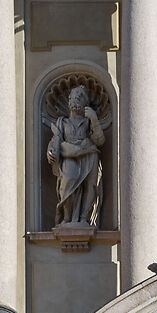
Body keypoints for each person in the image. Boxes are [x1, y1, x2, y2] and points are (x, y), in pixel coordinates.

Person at [44, 84, 106, 228]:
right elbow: (55, 140)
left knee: (90, 186)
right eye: (73, 96)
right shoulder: (62, 122)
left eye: (80, 97)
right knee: (68, 181)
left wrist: (95, 119)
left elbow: (100, 141)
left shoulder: (88, 121)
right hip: (69, 156)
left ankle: (84, 218)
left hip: (89, 156)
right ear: (68, 99)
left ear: (85, 103)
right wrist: (50, 152)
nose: (75, 99)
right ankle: (67, 218)